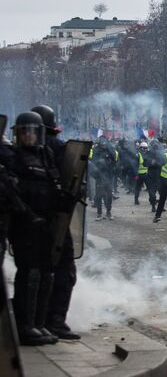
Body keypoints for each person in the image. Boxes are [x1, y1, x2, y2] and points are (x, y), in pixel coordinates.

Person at [8, 111, 61, 345]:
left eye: (33, 131)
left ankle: (40, 323)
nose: (29, 135)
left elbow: (54, 185)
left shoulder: (45, 154)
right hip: (25, 225)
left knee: (46, 273)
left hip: (46, 224)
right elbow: (11, 193)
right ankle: (25, 326)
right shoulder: (12, 157)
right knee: (28, 275)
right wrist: (28, 216)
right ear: (19, 134)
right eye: (24, 131)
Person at [30, 105, 82, 340]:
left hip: (29, 222)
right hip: (55, 220)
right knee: (63, 270)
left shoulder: (19, 152)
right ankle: (55, 321)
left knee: (34, 272)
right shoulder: (58, 149)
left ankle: (35, 320)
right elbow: (74, 182)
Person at [90, 136, 117, 221]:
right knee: (99, 195)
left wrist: (112, 170)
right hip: (99, 176)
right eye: (102, 144)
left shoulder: (110, 149)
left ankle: (108, 213)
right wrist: (96, 172)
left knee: (109, 195)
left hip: (108, 176)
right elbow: (93, 163)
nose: (103, 145)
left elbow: (115, 161)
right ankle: (99, 214)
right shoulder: (96, 150)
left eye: (105, 144)